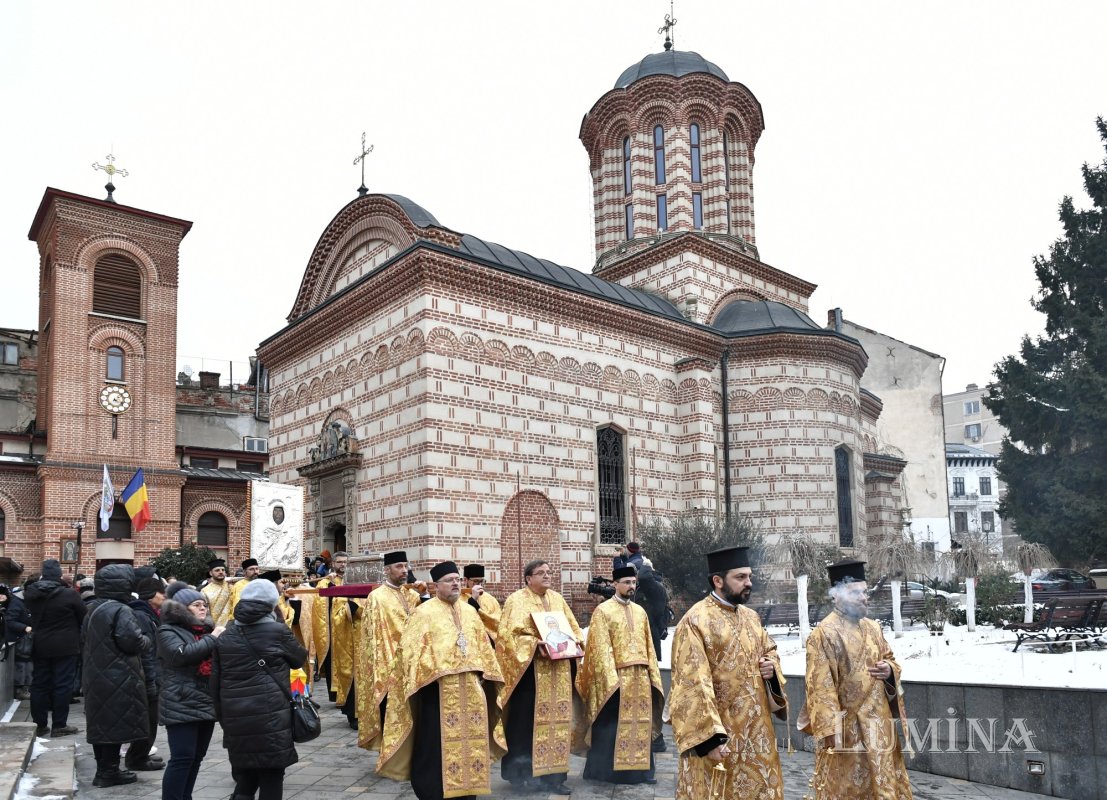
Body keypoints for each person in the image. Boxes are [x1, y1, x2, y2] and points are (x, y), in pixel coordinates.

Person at [377, 561, 506, 799]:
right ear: (436, 586)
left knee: (471, 745)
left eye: (457, 579)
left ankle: (467, 791)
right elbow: (409, 653)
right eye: (449, 580)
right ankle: (433, 791)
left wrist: (487, 675)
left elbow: (483, 647)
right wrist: (431, 672)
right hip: (436, 693)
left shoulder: (469, 611)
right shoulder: (423, 613)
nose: (456, 583)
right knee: (434, 745)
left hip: (472, 692)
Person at [669, 546, 787, 800]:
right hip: (721, 736)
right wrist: (710, 741)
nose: (749, 583)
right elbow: (692, 683)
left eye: (749, 576)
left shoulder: (751, 617)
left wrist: (771, 667)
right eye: (741, 577)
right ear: (718, 580)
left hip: (758, 736)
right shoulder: (695, 621)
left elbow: (770, 651)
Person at [800, 560, 913, 799]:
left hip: (880, 728)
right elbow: (819, 688)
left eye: (865, 591)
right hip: (847, 733)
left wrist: (889, 670)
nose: (864, 597)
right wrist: (832, 734)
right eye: (855, 593)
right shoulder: (823, 634)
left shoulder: (873, 628)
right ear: (836, 596)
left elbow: (891, 659)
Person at [212, 576, 308, 800]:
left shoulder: (226, 635)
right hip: (271, 715)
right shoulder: (277, 631)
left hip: (236, 714)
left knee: (246, 776)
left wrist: (222, 716)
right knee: (272, 775)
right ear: (271, 603)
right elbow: (299, 659)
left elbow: (215, 681)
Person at [497, 559, 584, 795]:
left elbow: (573, 627)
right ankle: (522, 776)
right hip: (530, 676)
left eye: (549, 572)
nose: (547, 576)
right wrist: (535, 644)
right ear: (528, 578)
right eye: (541, 573)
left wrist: (577, 641)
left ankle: (554, 777)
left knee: (558, 725)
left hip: (559, 674)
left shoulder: (557, 598)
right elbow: (508, 637)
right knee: (525, 726)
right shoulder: (517, 600)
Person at [574, 566, 662, 785]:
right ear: (615, 584)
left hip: (640, 678)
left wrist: (652, 673)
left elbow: (649, 646)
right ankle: (609, 772)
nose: (631, 586)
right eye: (627, 582)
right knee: (612, 725)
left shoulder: (640, 611)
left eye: (634, 582)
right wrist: (611, 680)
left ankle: (640, 772)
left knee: (639, 724)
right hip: (615, 680)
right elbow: (600, 648)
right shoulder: (603, 611)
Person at [83, 564, 153, 787]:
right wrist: (147, 639)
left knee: (102, 723)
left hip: (95, 674)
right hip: (118, 675)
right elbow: (132, 642)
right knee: (115, 724)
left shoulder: (92, 607)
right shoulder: (121, 610)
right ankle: (109, 772)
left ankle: (104, 769)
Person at [157, 582, 225, 800]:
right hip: (181, 701)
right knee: (182, 757)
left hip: (204, 700)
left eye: (204, 604)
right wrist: (213, 638)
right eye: (196, 605)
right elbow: (181, 655)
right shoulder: (167, 630)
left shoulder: (204, 630)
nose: (203, 608)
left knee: (197, 757)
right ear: (182, 609)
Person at [356, 550, 421, 750]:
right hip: (389, 663)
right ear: (387, 570)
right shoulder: (376, 597)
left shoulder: (412, 595)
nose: (404, 570)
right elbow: (372, 636)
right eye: (399, 566)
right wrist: (386, 665)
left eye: (406, 566)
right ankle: (389, 752)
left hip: (412, 662)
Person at [24, 559, 86, 737]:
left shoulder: (31, 594)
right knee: (63, 685)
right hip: (65, 646)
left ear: (43, 574)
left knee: (39, 685)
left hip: (40, 644)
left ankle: (39, 724)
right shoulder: (70, 595)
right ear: (59, 575)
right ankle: (59, 725)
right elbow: (84, 617)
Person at [126, 575, 167, 772]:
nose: (164, 595)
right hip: (147, 676)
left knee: (150, 719)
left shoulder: (149, 612)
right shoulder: (142, 615)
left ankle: (140, 754)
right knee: (148, 719)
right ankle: (137, 758)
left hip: (151, 674)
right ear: (151, 595)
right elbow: (147, 651)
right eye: (161, 592)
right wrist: (151, 681)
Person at [311, 551, 346, 702]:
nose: (343, 565)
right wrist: (331, 585)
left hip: (348, 626)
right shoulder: (325, 581)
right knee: (333, 660)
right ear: (333, 564)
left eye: (345, 562)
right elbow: (320, 604)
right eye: (339, 562)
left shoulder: (352, 580)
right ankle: (335, 693)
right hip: (332, 628)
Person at [0, 585, 33, 700]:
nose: (1, 597)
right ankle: (20, 690)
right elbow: (10, 621)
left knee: (24, 663)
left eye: (2, 594)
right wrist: (25, 627)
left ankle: (22, 689)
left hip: (15, 638)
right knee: (22, 664)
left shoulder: (14, 602)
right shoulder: (15, 603)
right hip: (16, 639)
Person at [461, 563, 501, 646]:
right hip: (468, 641)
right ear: (465, 580)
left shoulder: (490, 599)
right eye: (475, 581)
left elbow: (498, 622)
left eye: (481, 581)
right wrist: (473, 599)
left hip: (488, 641)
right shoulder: (459, 598)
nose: (479, 585)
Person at [201, 559, 234, 627]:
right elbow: (205, 613)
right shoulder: (205, 591)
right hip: (215, 629)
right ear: (210, 573)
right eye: (217, 570)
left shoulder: (232, 587)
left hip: (234, 627)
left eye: (223, 570)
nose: (221, 572)